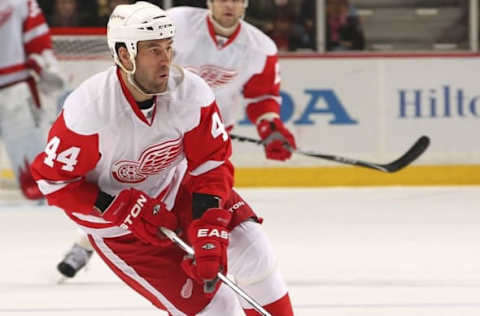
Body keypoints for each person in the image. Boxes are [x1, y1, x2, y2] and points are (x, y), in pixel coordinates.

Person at [31, 2, 294, 315]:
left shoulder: (191, 91)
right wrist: (115, 206)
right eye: (153, 50)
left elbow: (211, 163)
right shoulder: (89, 111)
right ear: (125, 54)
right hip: (119, 229)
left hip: (175, 187)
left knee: (254, 250)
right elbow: (53, 181)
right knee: (219, 308)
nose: (166, 59)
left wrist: (208, 219)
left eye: (169, 48)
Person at [168, 0, 296, 160]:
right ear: (210, 2)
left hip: (213, 133)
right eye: (223, 0)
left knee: (212, 184)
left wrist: (270, 128)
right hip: (164, 127)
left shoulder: (261, 48)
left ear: (245, 4)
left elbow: (261, 97)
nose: (229, 5)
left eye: (236, 0)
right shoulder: (178, 22)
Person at [0, 0, 64, 200]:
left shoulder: (20, 1)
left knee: (34, 177)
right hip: (15, 86)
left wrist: (47, 66)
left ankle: (44, 220)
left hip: (15, 89)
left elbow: (38, 41)